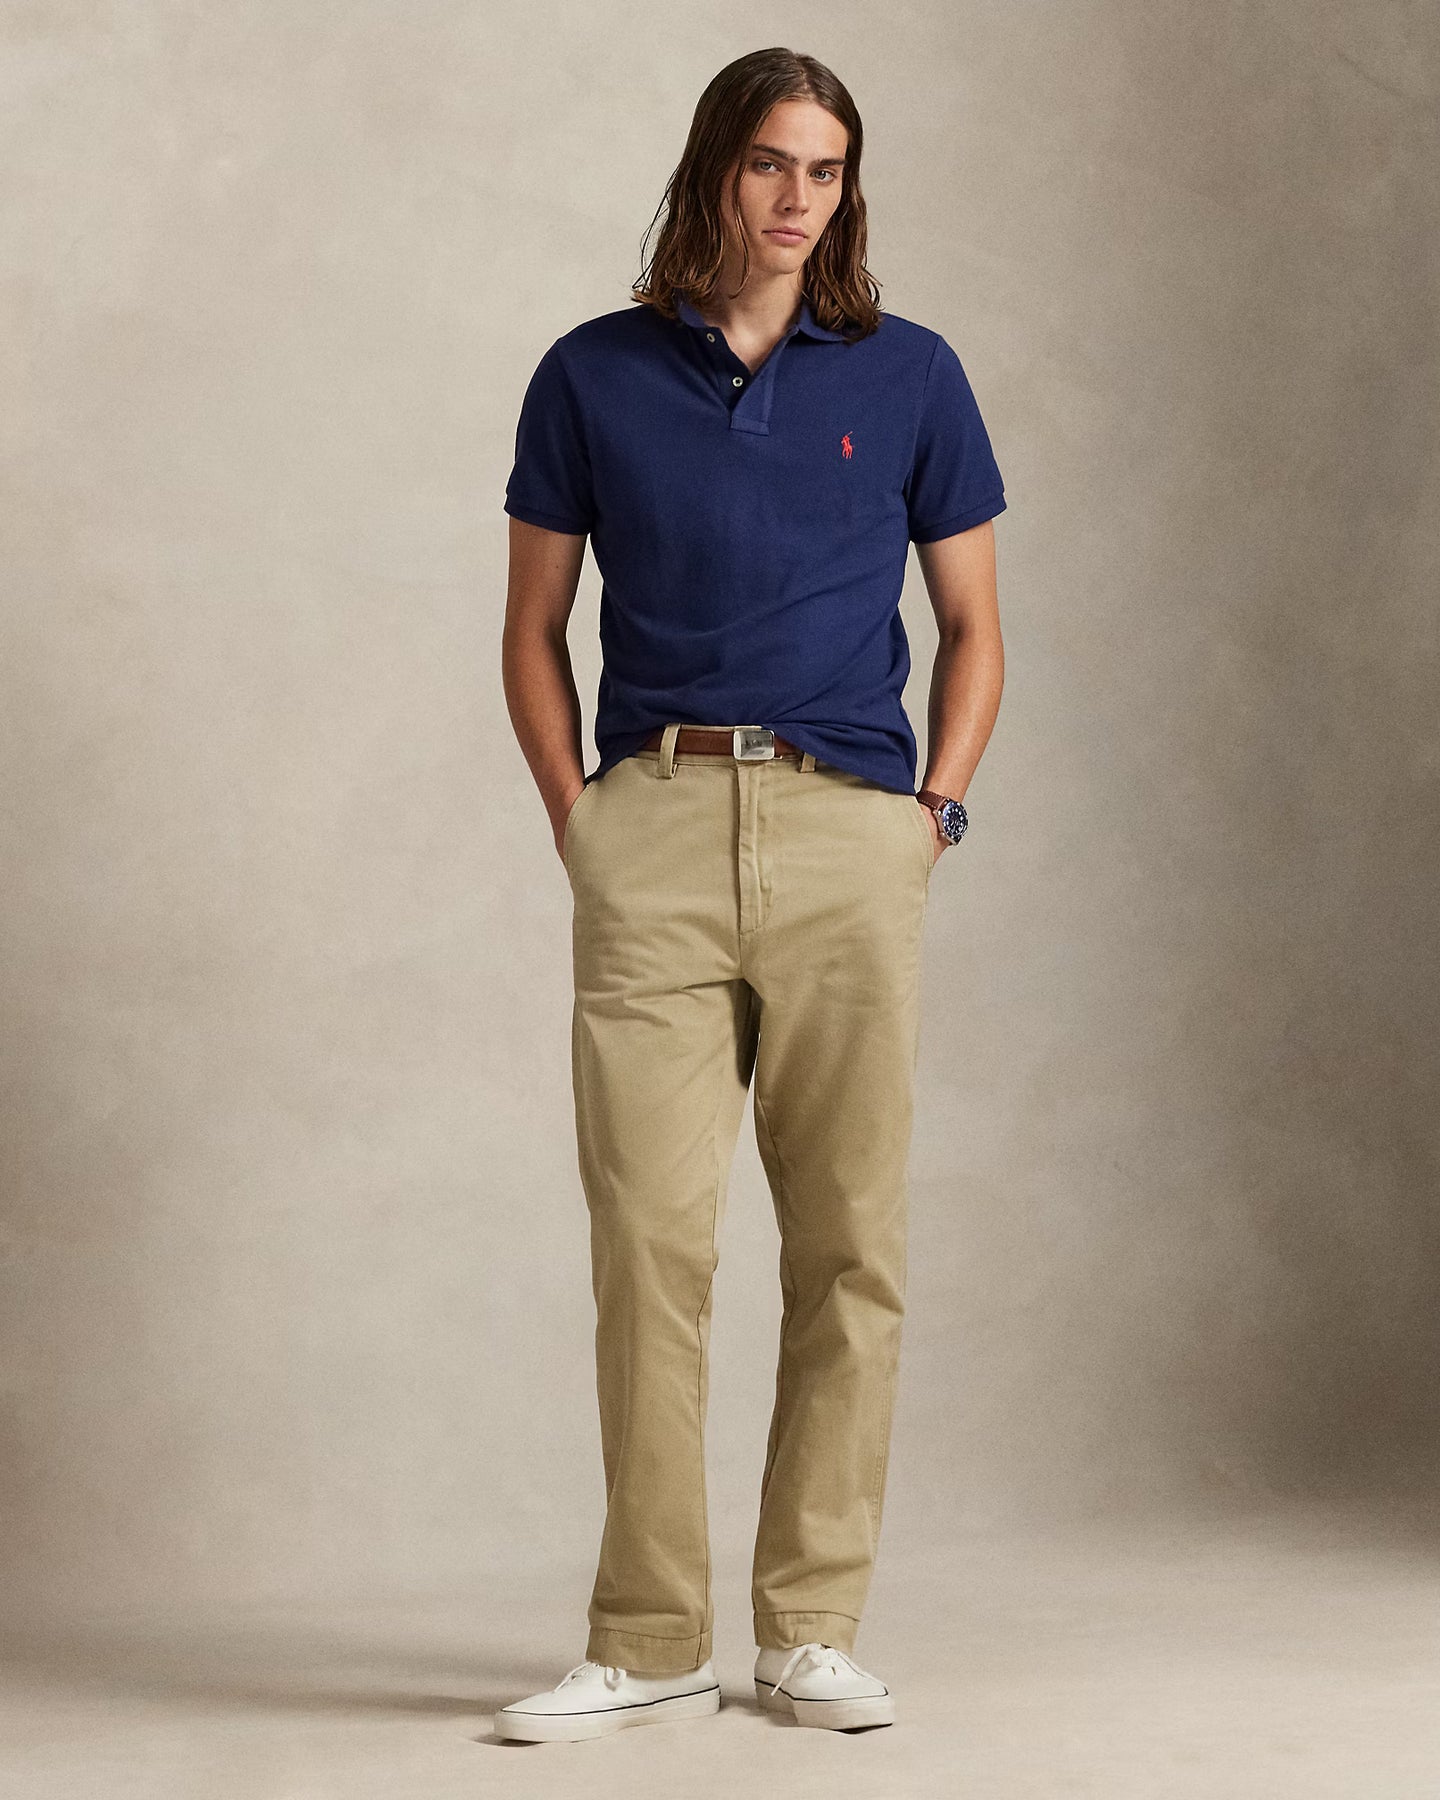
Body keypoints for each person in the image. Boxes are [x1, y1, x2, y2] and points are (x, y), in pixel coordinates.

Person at [495, 45, 1005, 1743]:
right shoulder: (592, 372)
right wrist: (583, 821)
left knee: (851, 1240)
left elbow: (976, 628)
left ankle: (809, 1628)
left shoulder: (912, 374)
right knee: (648, 1242)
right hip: (652, 827)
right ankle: (648, 1634)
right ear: (716, 167)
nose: (798, 198)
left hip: (852, 831)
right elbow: (532, 629)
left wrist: (933, 814)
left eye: (827, 169)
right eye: (771, 163)